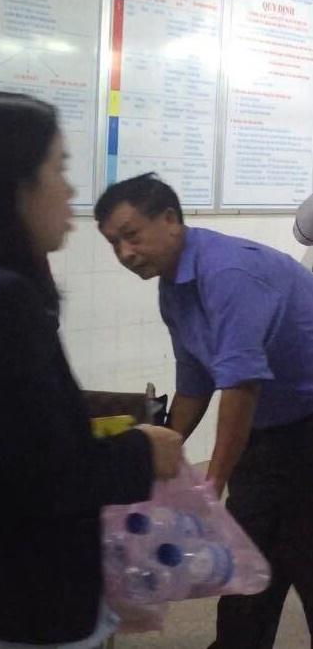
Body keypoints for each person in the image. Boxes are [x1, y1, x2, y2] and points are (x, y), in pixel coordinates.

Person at [0, 93, 183, 648]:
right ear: (12, 184)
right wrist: (143, 450)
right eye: (58, 169)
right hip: (2, 600)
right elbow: (46, 472)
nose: (68, 191)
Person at [96, 173, 313, 649]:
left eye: (132, 235)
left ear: (170, 220)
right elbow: (196, 382)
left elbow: (240, 387)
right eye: (114, 244)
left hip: (304, 426)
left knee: (302, 551)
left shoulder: (228, 273)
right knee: (247, 560)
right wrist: (164, 453)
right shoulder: (173, 287)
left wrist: (211, 482)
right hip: (270, 432)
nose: (125, 253)